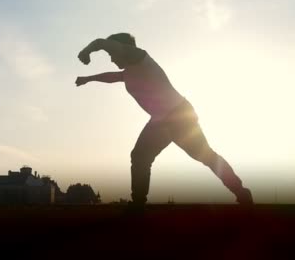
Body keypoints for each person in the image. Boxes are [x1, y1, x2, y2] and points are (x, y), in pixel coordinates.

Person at [75, 33, 253, 207]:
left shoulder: (141, 58)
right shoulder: (129, 72)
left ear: (124, 49)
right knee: (140, 157)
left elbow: (100, 42)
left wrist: (86, 51)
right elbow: (111, 77)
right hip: (161, 120)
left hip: (179, 115)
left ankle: (241, 192)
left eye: (112, 54)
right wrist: (88, 79)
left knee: (205, 156)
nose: (112, 59)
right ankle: (138, 203)